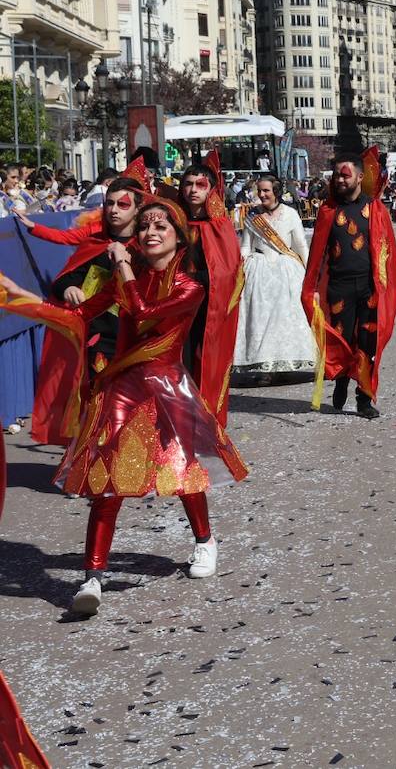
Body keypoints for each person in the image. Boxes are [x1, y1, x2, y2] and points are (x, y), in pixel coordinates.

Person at [0, 198, 250, 615]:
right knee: (106, 481)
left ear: (177, 238)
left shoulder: (190, 287)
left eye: (161, 226)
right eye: (146, 225)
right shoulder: (124, 277)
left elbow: (145, 312)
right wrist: (21, 299)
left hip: (168, 386)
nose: (151, 231)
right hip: (121, 387)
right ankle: (93, 576)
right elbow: (78, 315)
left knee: (184, 471)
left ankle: (205, 541)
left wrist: (124, 268)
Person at [10, 165, 151, 445]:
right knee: (95, 402)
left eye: (122, 204)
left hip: (138, 334)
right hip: (98, 334)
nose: (114, 209)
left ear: (137, 208)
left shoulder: (149, 243)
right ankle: (90, 465)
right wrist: (69, 288)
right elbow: (65, 279)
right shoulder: (96, 241)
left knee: (135, 403)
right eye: (109, 203)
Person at [301, 148, 396, 418]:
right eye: (336, 176)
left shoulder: (376, 209)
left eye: (345, 175)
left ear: (359, 177)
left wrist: (385, 288)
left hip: (369, 288)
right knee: (341, 338)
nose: (340, 180)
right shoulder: (328, 211)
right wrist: (313, 290)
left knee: (367, 343)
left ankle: (364, 398)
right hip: (339, 288)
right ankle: (342, 379)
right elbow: (317, 257)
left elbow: (387, 252)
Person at [178, 156, 243, 425]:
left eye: (200, 184)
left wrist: (197, 281)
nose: (193, 190)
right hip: (177, 307)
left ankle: (207, 420)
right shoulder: (173, 222)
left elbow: (229, 272)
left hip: (210, 308)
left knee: (208, 360)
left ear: (211, 190)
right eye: (189, 184)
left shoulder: (221, 226)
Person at [233, 175, 316, 379]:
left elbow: (300, 245)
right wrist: (239, 271)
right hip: (258, 270)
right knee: (259, 318)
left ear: (276, 192)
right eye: (259, 191)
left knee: (284, 316)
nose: (261, 195)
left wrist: (309, 274)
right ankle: (263, 365)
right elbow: (245, 246)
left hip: (286, 269)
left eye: (266, 191)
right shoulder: (252, 216)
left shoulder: (290, 214)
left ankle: (285, 362)